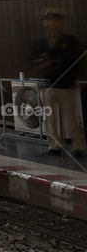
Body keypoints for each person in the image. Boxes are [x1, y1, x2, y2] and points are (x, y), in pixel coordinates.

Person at [31, 8, 86, 156]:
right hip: (48, 84)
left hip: (66, 84)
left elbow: (77, 61)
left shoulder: (69, 41)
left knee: (72, 117)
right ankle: (54, 145)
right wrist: (41, 63)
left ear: (61, 23)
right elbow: (34, 59)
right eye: (48, 20)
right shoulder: (42, 43)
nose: (51, 23)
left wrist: (76, 79)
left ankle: (78, 145)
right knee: (50, 117)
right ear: (44, 24)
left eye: (54, 20)